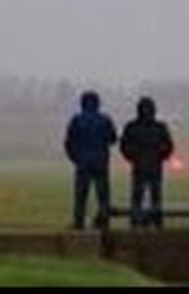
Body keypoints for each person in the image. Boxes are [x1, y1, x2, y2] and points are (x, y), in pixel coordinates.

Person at [64, 91, 118, 231]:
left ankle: (79, 222)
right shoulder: (105, 120)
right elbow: (112, 139)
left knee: (81, 196)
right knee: (103, 197)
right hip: (100, 162)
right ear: (98, 104)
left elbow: (69, 142)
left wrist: (75, 158)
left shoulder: (76, 120)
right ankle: (104, 222)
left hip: (83, 163)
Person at [120, 97, 174, 229]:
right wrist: (161, 156)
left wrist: (133, 157)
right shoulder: (159, 127)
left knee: (137, 197)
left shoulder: (132, 127)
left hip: (139, 166)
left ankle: (135, 222)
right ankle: (157, 223)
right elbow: (169, 146)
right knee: (155, 197)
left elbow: (124, 146)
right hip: (154, 167)